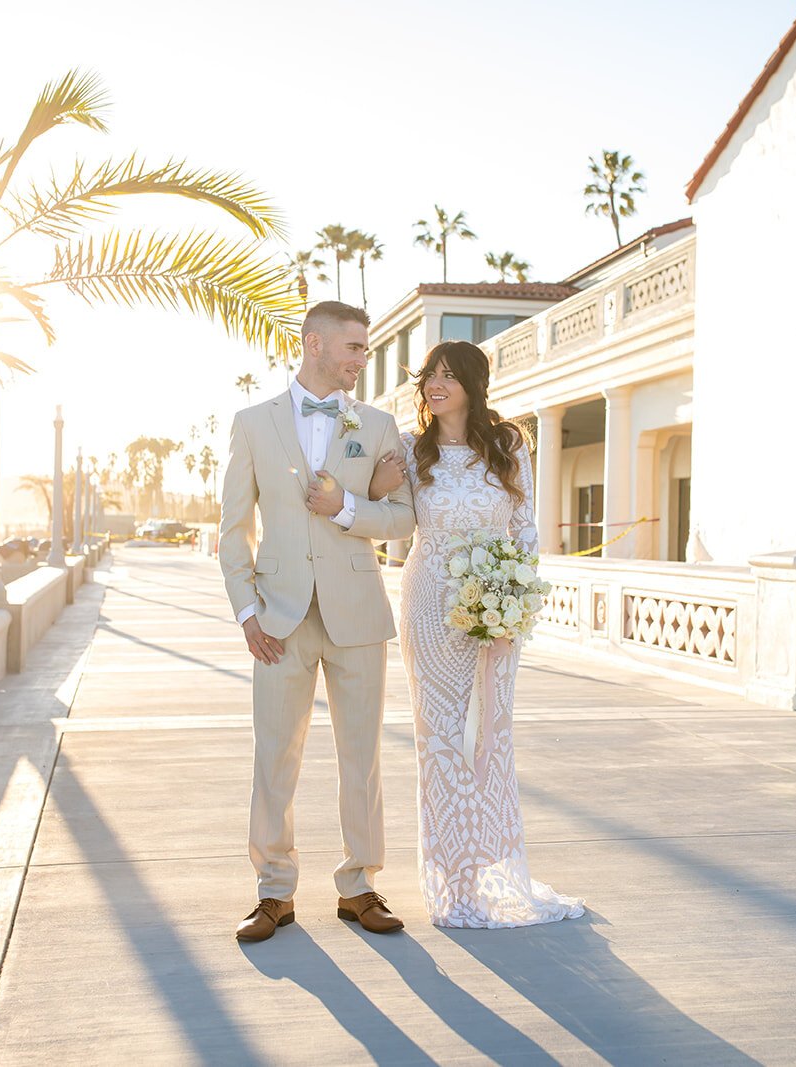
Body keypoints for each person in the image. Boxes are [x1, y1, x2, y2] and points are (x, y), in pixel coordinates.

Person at [367, 340, 585, 928]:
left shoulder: (510, 445)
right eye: (428, 377)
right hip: (430, 605)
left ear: (471, 382)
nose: (434, 385)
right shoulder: (413, 451)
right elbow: (382, 511)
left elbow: (524, 530)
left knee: (489, 739)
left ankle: (490, 870)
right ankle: (453, 884)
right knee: (439, 742)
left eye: (446, 375)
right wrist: (370, 487)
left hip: (495, 607)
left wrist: (511, 610)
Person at [217, 300, 416, 942]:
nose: (363, 358)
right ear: (315, 345)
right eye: (355, 347)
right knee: (274, 756)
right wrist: (248, 612)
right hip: (279, 616)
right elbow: (233, 529)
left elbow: (404, 517)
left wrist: (347, 507)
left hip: (358, 612)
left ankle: (358, 886)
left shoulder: (379, 425)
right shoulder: (252, 423)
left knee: (361, 759)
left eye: (364, 348)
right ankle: (274, 892)